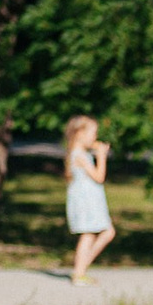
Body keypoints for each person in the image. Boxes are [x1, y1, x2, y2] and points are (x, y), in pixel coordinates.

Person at [62, 115, 115, 285]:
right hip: (87, 200)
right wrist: (102, 156)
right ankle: (79, 271)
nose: (95, 137)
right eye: (93, 132)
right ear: (80, 133)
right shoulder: (79, 156)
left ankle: (81, 269)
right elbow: (99, 177)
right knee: (90, 234)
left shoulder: (79, 154)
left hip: (89, 198)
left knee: (100, 233)